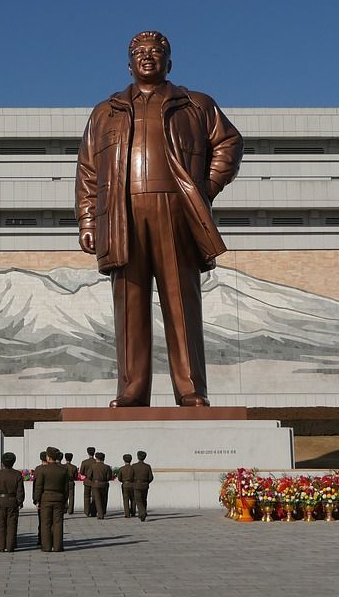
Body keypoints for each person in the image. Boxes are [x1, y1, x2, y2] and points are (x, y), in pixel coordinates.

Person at [75, 30, 243, 408]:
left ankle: (190, 388)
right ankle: (132, 389)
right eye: (139, 52)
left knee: (181, 300)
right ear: (128, 62)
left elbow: (229, 143)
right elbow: (87, 169)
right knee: (130, 303)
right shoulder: (106, 111)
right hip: (122, 212)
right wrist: (88, 221)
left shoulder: (195, 104)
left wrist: (205, 187)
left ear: (169, 61)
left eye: (156, 52)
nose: (147, 57)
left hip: (175, 210)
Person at [33, 447, 71, 552]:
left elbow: (39, 486)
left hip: (46, 498)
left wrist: (37, 500)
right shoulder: (63, 470)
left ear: (48, 457)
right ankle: (58, 546)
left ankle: (46, 546)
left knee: (46, 523)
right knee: (58, 523)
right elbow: (66, 488)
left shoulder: (43, 470)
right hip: (59, 498)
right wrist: (65, 500)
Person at [0, 452, 24, 552]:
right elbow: (20, 490)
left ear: (2, 462)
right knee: (11, 525)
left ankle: (1, 546)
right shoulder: (17, 474)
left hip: (0, 501)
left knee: (0, 525)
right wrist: (20, 502)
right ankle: (10, 546)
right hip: (12, 501)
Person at [85, 452, 113, 519]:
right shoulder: (107, 467)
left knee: (97, 499)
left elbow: (89, 476)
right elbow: (109, 477)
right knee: (104, 498)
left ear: (96, 458)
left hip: (96, 484)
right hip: (104, 484)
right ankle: (103, 511)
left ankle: (100, 514)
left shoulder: (93, 466)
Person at [132, 450, 154, 521]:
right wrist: (146, 482)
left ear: (138, 457)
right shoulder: (147, 466)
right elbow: (151, 477)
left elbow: (131, 476)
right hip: (145, 485)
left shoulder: (134, 466)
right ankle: (143, 512)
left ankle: (142, 513)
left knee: (138, 500)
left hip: (137, 485)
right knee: (144, 499)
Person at [80, 447, 97, 516]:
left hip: (87, 480)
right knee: (94, 497)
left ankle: (87, 511)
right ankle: (93, 512)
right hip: (94, 481)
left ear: (88, 453)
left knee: (86, 496)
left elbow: (81, 472)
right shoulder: (96, 462)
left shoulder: (84, 462)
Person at [118, 453, 136, 518]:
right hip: (132, 484)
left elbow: (119, 478)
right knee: (133, 499)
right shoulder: (133, 468)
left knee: (125, 499)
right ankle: (133, 512)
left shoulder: (121, 469)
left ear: (124, 460)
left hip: (125, 484)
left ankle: (127, 514)